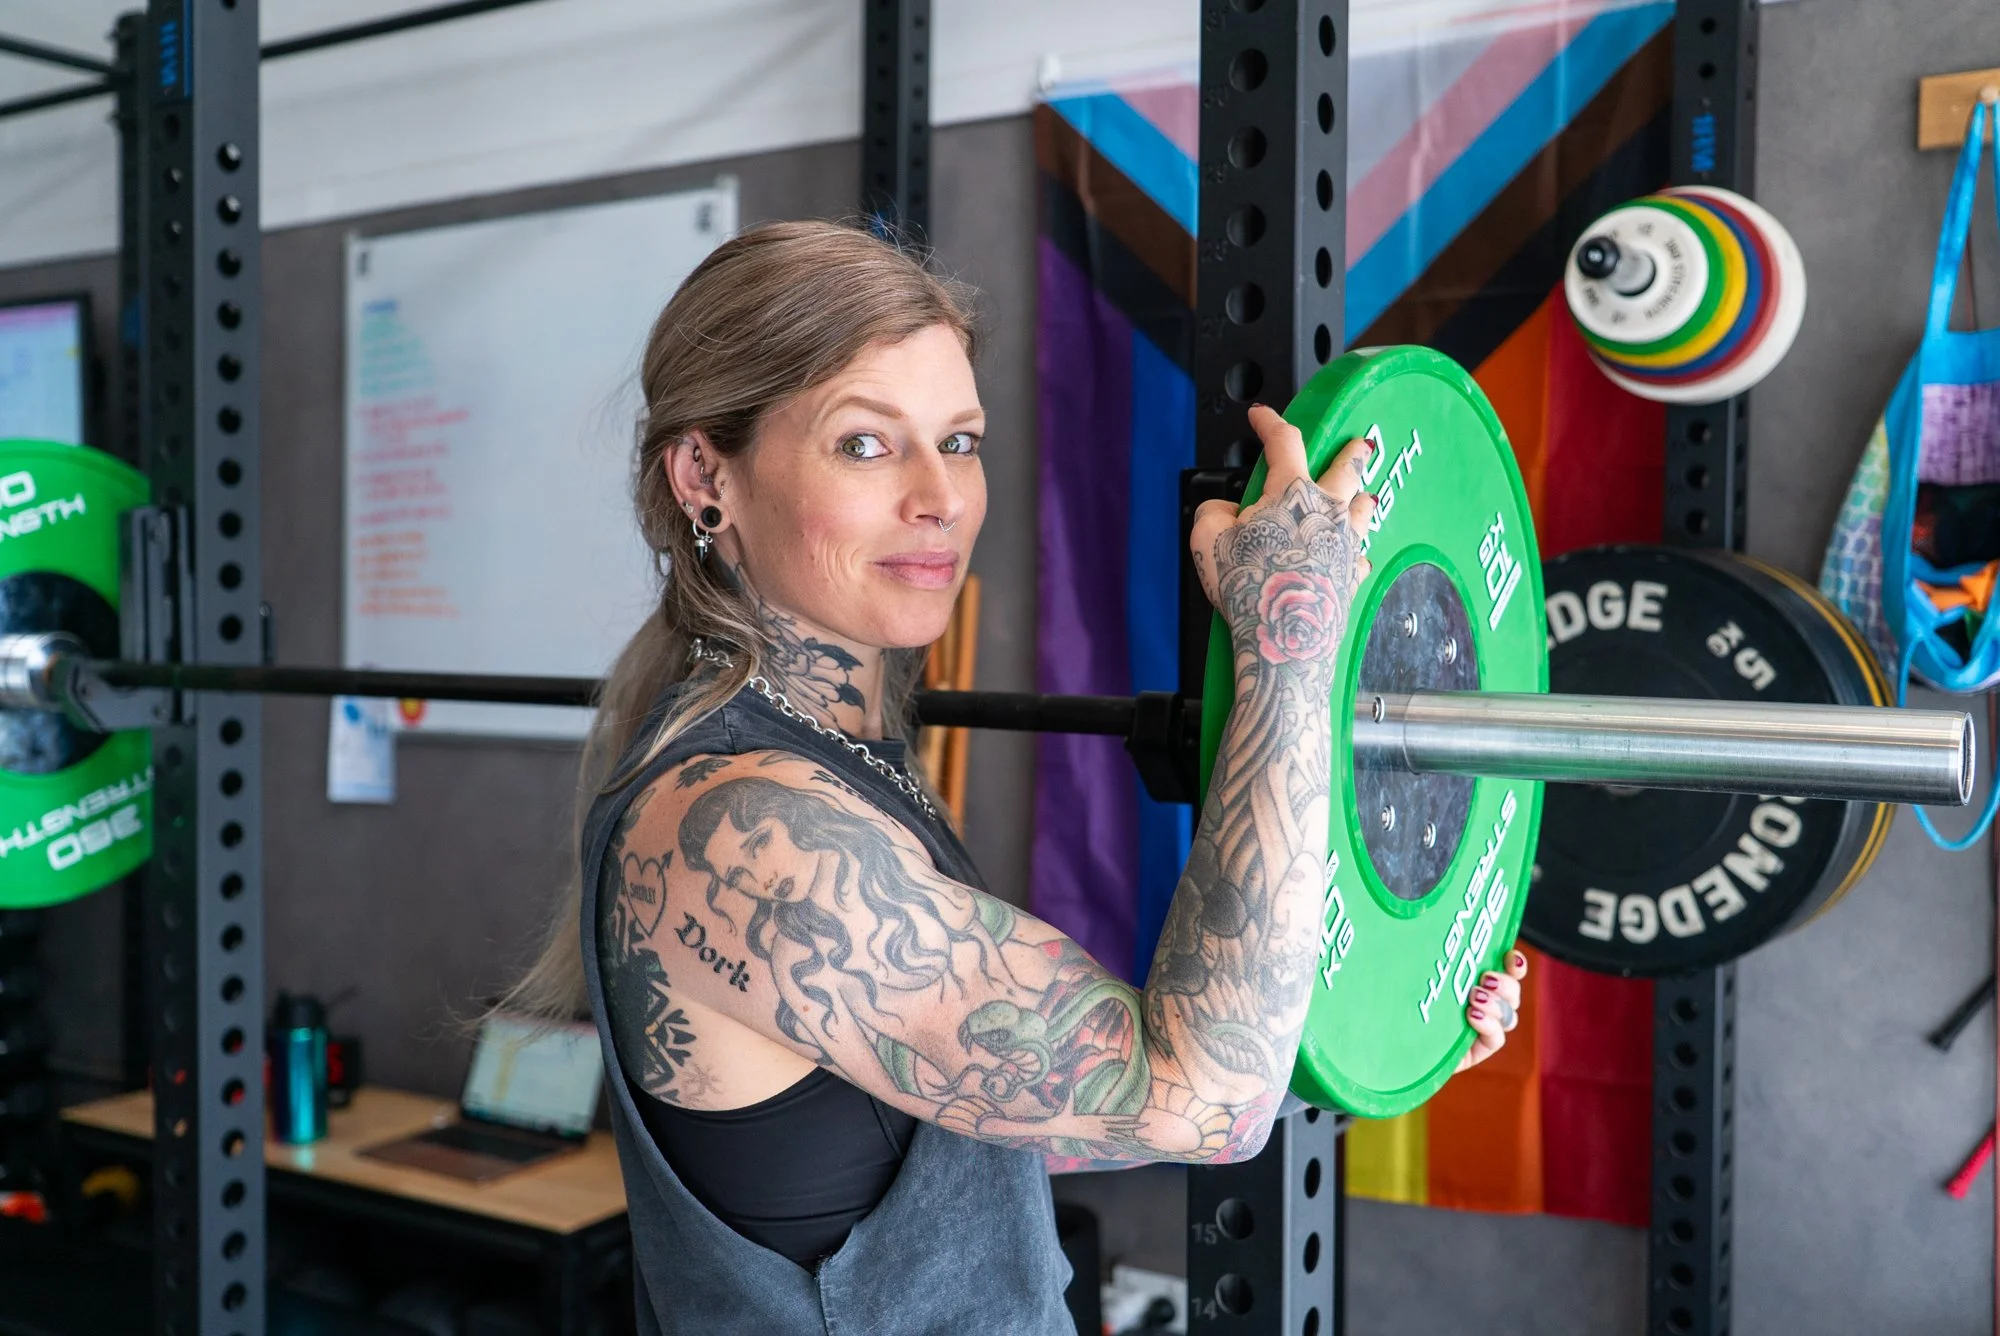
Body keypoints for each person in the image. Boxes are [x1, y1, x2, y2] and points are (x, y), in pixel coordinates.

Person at [505, 219, 1527, 1334]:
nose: (939, 496)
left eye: (959, 441)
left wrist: (1360, 1024)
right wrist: (1290, 629)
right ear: (707, 476)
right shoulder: (752, 835)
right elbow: (1202, 1102)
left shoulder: (834, 758)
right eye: (865, 443)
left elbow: (1015, 1107)